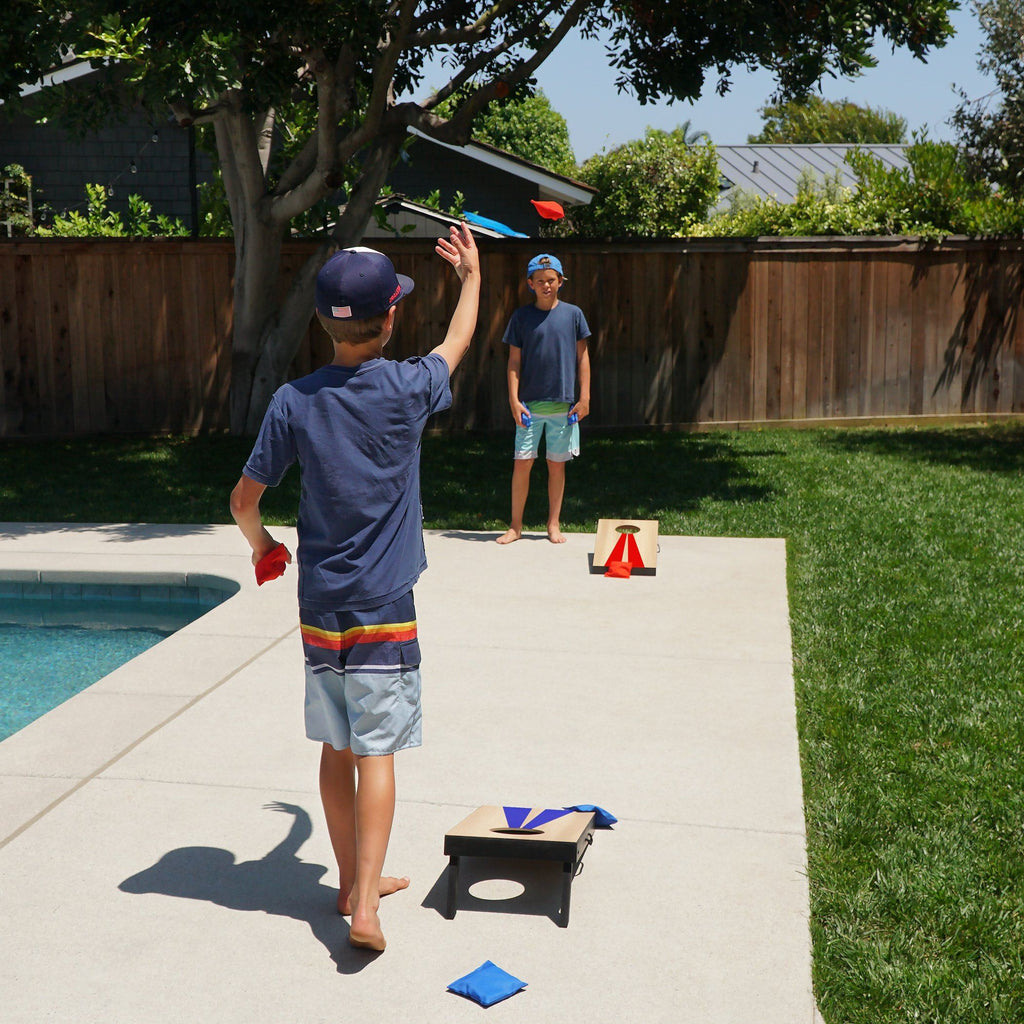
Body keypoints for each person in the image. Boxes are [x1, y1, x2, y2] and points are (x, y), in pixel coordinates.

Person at [229, 224, 479, 952]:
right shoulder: (408, 386)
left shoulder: (294, 400)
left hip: (321, 608)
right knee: (378, 753)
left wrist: (265, 548)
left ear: (320, 320)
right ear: (391, 316)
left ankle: (348, 883)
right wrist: (472, 278)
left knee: (338, 746)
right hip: (384, 607)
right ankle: (365, 906)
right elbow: (457, 341)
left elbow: (243, 502)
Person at [497, 252, 591, 545]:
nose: (546, 285)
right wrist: (513, 400)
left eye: (551, 280)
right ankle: (515, 526)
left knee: (556, 465)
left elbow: (583, 358)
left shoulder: (573, 315)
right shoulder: (521, 317)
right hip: (528, 407)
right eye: (539, 281)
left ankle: (553, 523)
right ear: (530, 284)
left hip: (564, 407)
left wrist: (585, 397)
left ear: (560, 281)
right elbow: (514, 362)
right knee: (522, 463)